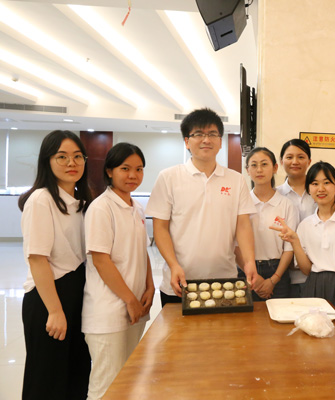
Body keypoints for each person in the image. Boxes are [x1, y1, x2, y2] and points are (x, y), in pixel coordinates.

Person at [146, 108, 257, 306]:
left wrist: (249, 262)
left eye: (212, 134)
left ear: (220, 141)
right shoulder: (169, 177)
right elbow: (160, 228)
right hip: (179, 281)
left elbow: (243, 225)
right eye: (198, 134)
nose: (206, 140)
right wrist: (173, 265)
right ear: (187, 141)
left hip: (225, 282)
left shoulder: (236, 180)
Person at [18, 130, 92, 400]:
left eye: (77, 156)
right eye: (62, 157)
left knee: (75, 376)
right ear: (47, 161)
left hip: (75, 293)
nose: (71, 163)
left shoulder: (81, 203)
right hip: (48, 297)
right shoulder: (41, 199)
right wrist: (55, 311)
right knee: (47, 382)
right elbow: (37, 259)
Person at [82, 143, 155, 399]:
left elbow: (142, 251)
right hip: (108, 312)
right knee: (106, 385)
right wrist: (130, 299)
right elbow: (101, 260)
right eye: (125, 168)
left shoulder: (137, 208)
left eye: (139, 169)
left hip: (134, 308)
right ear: (110, 171)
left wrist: (150, 287)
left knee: (127, 379)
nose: (133, 175)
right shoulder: (101, 208)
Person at [271, 161, 335, 344]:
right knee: (313, 342)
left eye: (326, 182)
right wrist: (295, 242)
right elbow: (307, 269)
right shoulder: (305, 225)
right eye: (315, 184)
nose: (321, 188)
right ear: (309, 189)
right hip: (315, 286)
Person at [237, 147, 298, 301]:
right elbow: (234, 245)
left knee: (278, 315)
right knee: (247, 316)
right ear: (247, 170)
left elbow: (289, 248)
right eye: (254, 165)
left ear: (275, 168)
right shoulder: (241, 203)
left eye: (264, 164)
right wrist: (255, 277)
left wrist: (273, 280)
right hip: (246, 270)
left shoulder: (287, 204)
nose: (259, 170)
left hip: (278, 272)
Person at [277, 139, 317, 297]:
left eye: (301, 157)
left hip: (318, 271)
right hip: (284, 275)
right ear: (281, 161)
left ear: (309, 161)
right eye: (289, 157)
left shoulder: (320, 193)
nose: (295, 162)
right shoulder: (275, 195)